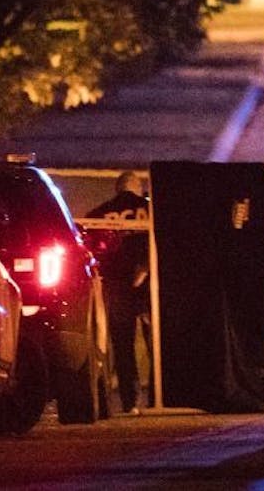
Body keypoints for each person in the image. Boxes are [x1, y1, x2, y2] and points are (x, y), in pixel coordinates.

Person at [85, 170, 151, 414]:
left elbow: (92, 246)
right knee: (156, 343)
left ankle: (129, 401)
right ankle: (158, 398)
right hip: (148, 286)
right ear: (137, 187)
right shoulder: (149, 209)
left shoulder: (100, 213)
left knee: (122, 345)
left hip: (116, 285)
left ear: (117, 188)